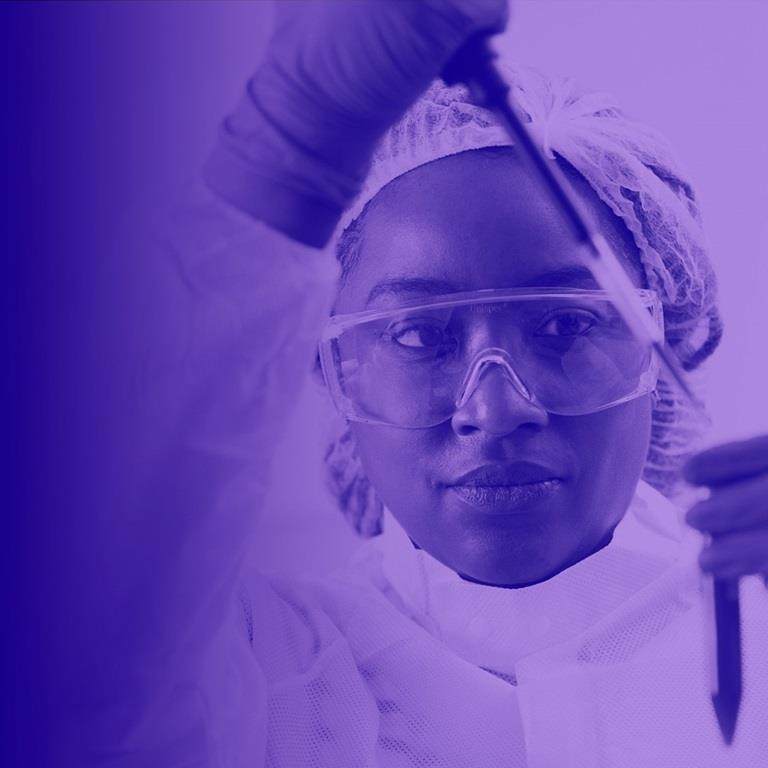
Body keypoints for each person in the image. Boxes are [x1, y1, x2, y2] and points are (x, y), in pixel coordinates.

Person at [74, 2, 768, 766]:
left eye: (564, 326)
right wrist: (288, 143)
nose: (497, 409)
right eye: (418, 335)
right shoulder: (253, 669)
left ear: (655, 345)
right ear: (330, 368)